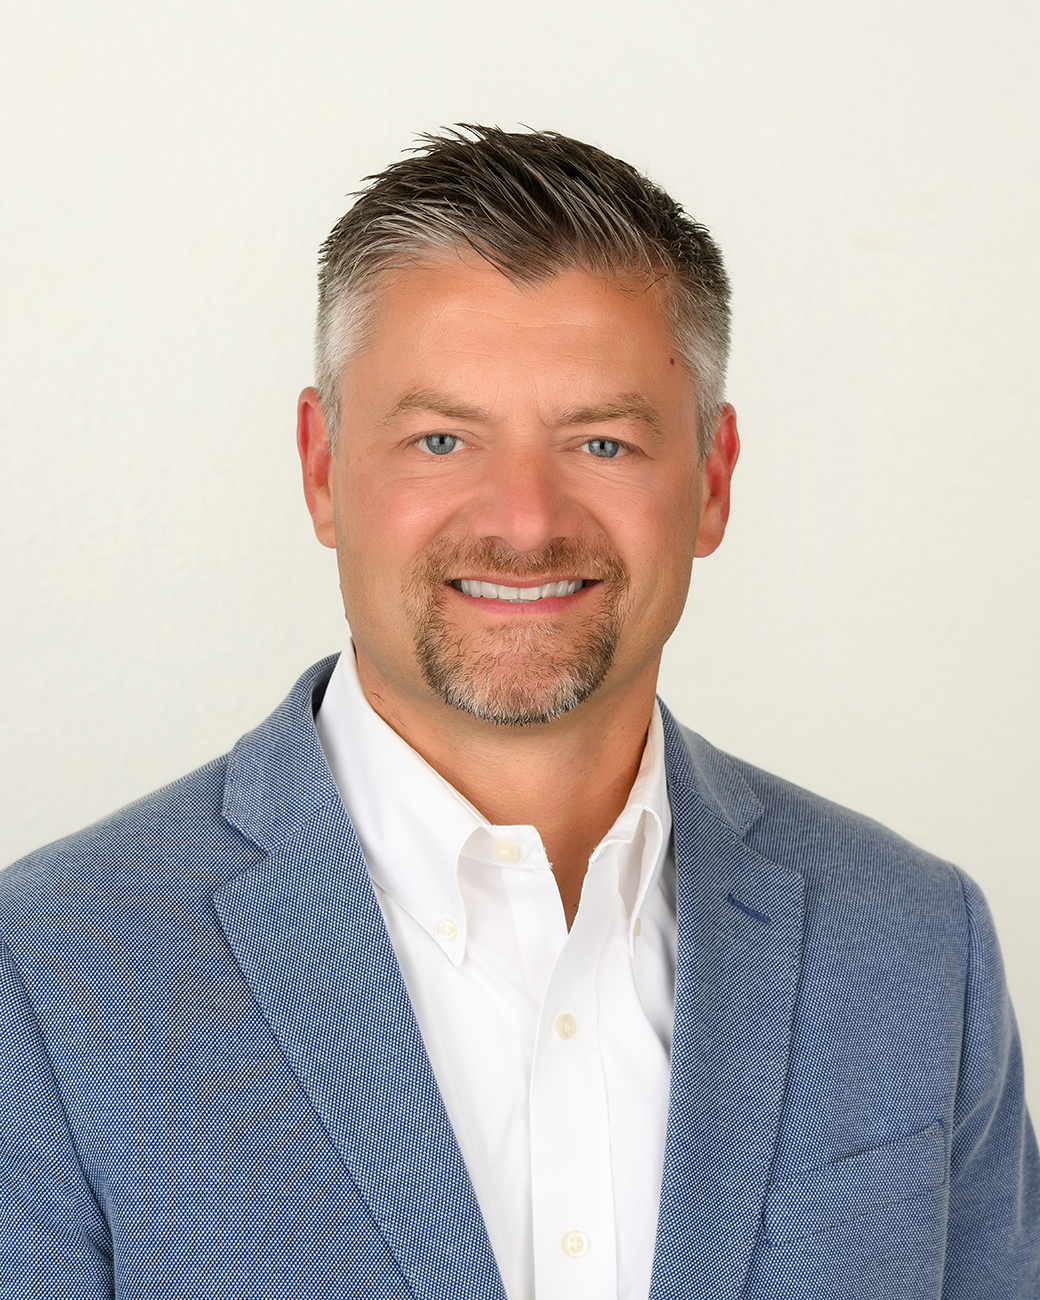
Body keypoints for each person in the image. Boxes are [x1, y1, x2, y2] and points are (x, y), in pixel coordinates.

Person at [1, 126, 1036, 1300]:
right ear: (321, 465)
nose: (526, 519)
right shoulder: (48, 973)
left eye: (600, 440)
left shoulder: (913, 943)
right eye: (441, 438)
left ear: (709, 477)